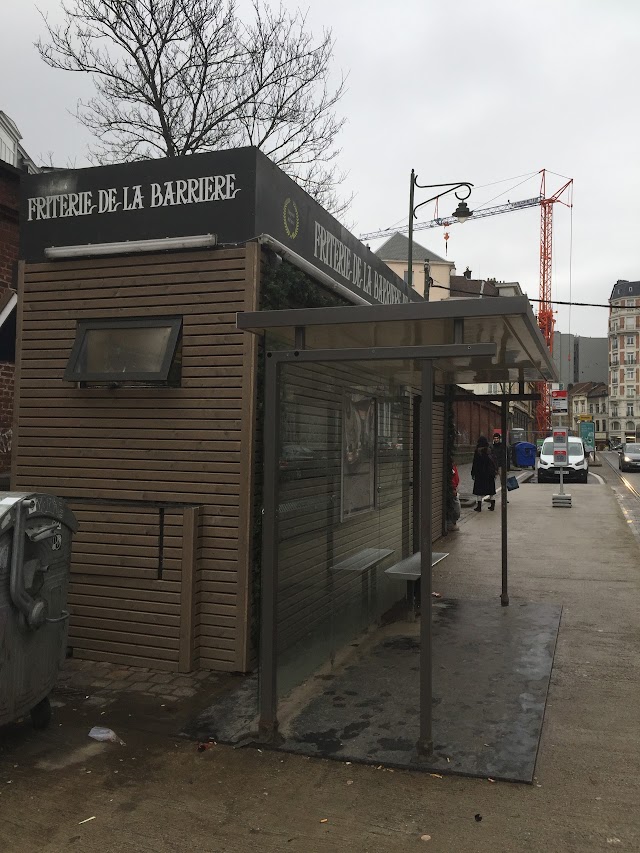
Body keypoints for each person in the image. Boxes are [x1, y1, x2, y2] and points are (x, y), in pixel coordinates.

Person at [471, 435, 497, 511]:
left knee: (479, 491)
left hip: (480, 474)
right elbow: (494, 461)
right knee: (491, 490)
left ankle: (479, 507)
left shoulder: (477, 451)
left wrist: (473, 473)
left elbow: (475, 463)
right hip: (489, 473)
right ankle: (492, 505)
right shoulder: (490, 450)